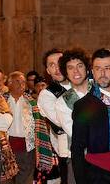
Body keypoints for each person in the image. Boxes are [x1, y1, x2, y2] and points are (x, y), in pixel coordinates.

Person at [71, 49, 110, 184]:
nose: (102, 73)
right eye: (98, 69)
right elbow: (77, 148)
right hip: (99, 174)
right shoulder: (84, 105)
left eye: (107, 68)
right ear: (92, 71)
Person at [37, 49, 73, 183]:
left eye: (60, 63)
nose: (57, 68)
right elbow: (61, 121)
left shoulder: (82, 84)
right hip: (68, 153)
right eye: (52, 65)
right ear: (48, 71)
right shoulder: (47, 94)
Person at [6, 71, 36, 184]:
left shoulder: (32, 102)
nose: (21, 85)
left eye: (23, 82)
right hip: (7, 147)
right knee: (7, 178)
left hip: (27, 147)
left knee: (25, 178)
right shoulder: (1, 102)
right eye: (17, 82)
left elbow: (39, 125)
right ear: (9, 84)